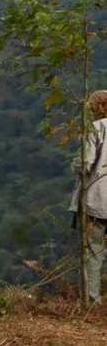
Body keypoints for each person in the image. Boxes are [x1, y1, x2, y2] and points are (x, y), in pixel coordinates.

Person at [79, 90, 107, 306]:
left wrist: (75, 165)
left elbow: (85, 163)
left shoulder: (95, 129)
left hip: (98, 198)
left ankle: (91, 301)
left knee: (93, 252)